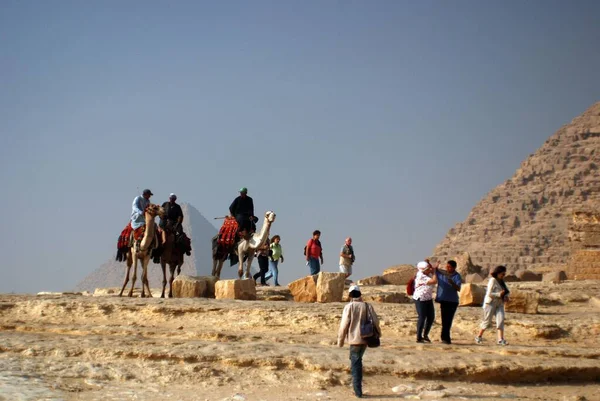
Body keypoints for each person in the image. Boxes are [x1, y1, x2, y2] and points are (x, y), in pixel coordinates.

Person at [338, 284, 380, 399]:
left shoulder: (349, 307)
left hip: (354, 340)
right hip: (365, 339)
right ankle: (358, 389)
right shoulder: (367, 306)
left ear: (350, 295)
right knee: (357, 361)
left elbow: (343, 325)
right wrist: (378, 334)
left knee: (355, 365)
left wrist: (340, 341)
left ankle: (358, 392)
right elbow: (375, 321)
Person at [475, 265, 510, 346]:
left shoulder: (502, 282)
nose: (503, 276)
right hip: (490, 303)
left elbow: (506, 292)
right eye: (502, 274)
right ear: (498, 273)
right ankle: (479, 336)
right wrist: (499, 294)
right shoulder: (492, 280)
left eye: (504, 274)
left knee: (500, 320)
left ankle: (500, 339)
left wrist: (506, 297)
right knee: (487, 322)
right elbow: (489, 293)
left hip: (500, 303)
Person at [434, 260, 462, 344]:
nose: (447, 268)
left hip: (453, 301)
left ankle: (446, 338)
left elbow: (459, 288)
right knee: (444, 320)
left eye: (449, 267)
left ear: (454, 268)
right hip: (444, 300)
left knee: (449, 320)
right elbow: (434, 270)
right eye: (447, 266)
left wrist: (452, 283)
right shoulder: (442, 274)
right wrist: (431, 264)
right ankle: (444, 338)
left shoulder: (457, 276)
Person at [413, 261, 438, 343]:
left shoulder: (427, 273)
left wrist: (432, 266)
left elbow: (430, 268)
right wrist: (434, 272)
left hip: (428, 298)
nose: (429, 270)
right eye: (427, 269)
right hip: (420, 299)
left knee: (431, 317)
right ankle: (419, 337)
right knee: (422, 317)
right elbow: (434, 281)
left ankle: (425, 335)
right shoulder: (421, 275)